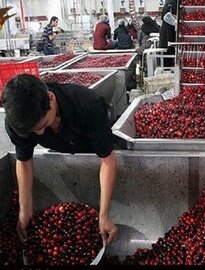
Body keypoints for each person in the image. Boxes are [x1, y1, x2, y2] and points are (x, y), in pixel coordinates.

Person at [2, 74, 118, 246]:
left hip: (95, 150)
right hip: (64, 149)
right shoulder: (20, 123)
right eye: (33, 131)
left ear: (51, 98)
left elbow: (107, 160)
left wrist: (104, 215)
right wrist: (25, 209)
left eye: (43, 126)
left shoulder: (87, 104)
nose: (40, 134)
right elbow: (24, 159)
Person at [159, 0, 177, 67]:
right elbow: (167, 16)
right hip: (167, 37)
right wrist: (177, 23)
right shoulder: (171, 3)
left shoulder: (170, 3)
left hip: (167, 37)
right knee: (167, 60)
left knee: (168, 58)